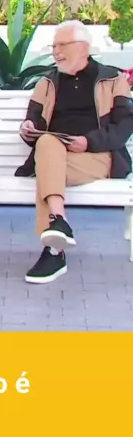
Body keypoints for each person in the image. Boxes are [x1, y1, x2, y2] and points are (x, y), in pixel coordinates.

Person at [16, 19, 133, 284]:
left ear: (83, 47)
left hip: (98, 157)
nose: (56, 51)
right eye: (54, 46)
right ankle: (58, 224)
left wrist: (88, 142)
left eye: (62, 45)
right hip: (54, 154)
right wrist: (28, 128)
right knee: (47, 144)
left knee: (47, 170)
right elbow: (34, 122)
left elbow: (124, 126)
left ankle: (54, 250)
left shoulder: (113, 79)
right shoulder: (47, 83)